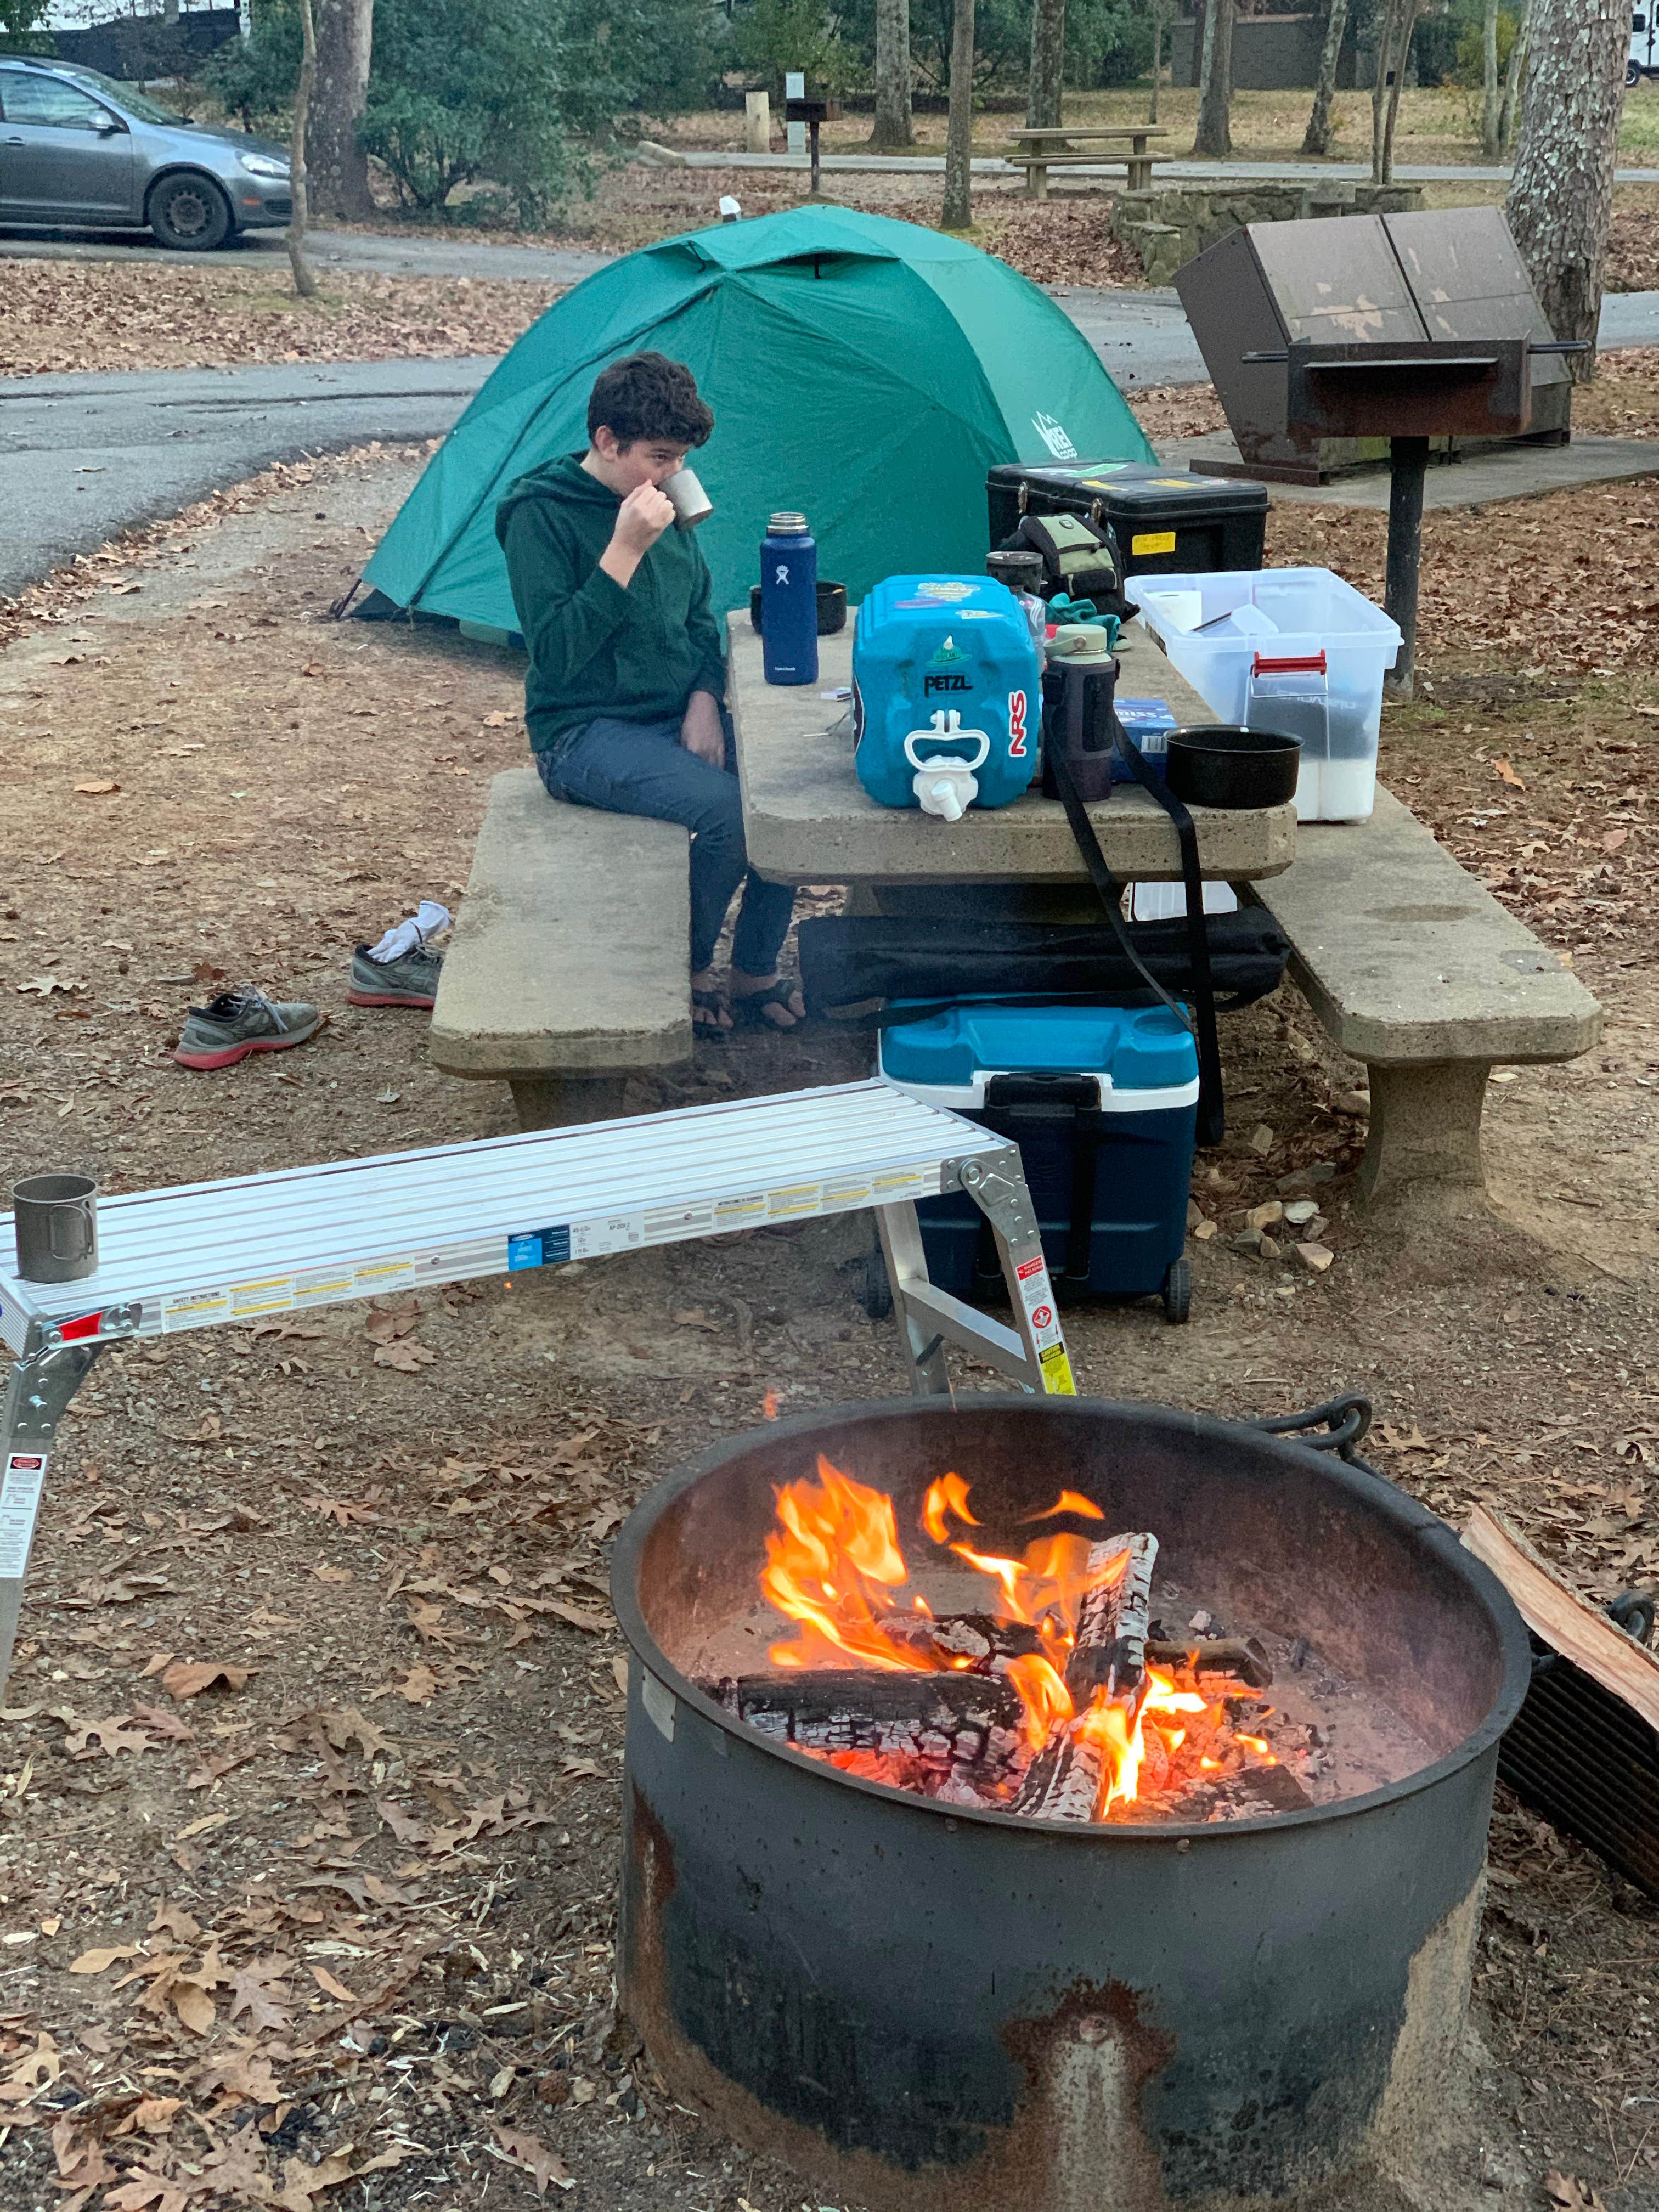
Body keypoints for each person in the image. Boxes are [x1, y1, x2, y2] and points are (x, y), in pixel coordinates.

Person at [495, 352, 802, 1034]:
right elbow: (559, 656)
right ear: (608, 441)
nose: (673, 476)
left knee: (786, 793)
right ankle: (686, 970)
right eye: (660, 457)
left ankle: (754, 968)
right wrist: (625, 548)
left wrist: (703, 699)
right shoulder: (538, 515)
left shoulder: (664, 502)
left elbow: (698, 617)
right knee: (729, 814)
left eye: (681, 460)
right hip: (583, 731)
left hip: (672, 714)